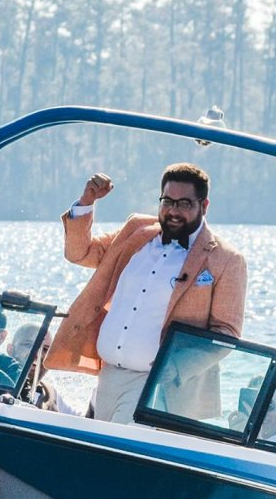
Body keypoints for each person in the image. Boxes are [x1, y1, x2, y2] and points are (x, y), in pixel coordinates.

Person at [45, 163, 248, 424]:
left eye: (184, 204)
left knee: (117, 446)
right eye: (167, 202)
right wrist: (87, 202)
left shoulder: (227, 259)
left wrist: (172, 368)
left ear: (204, 205)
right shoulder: (136, 230)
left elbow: (226, 334)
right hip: (107, 374)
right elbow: (80, 253)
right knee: (93, 445)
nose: (173, 211)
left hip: (157, 387)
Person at [8, 323, 79, 415]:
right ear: (10, 349)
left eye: (45, 349)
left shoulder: (52, 396)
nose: (37, 354)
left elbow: (84, 420)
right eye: (29, 345)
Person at [227, 378, 276, 445]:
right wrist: (233, 439)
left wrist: (255, 441)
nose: (260, 412)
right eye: (254, 405)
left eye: (269, 405)